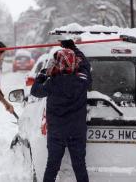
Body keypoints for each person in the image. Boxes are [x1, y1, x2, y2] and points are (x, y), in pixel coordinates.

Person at [30, 39, 92, 182]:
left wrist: (43, 74)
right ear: (74, 62)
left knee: (52, 166)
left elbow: (35, 91)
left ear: (59, 64)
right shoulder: (82, 80)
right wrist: (73, 48)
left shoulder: (52, 82)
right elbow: (85, 64)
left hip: (57, 133)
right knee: (80, 166)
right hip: (77, 132)